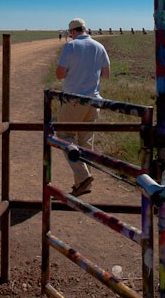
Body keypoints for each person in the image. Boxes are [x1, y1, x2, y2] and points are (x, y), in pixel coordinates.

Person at [55, 18, 110, 196]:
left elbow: (59, 74)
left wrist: (75, 73)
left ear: (71, 32)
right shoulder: (99, 46)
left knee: (64, 136)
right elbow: (106, 74)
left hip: (73, 100)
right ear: (86, 29)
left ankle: (83, 175)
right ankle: (82, 183)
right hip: (94, 101)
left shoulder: (71, 46)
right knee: (85, 141)